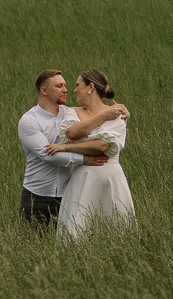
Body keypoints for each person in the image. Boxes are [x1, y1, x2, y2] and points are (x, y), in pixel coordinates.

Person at [17, 69, 119, 229]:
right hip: (37, 196)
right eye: (59, 86)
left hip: (69, 193)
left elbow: (96, 116)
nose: (65, 89)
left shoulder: (71, 113)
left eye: (65, 85)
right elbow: (47, 155)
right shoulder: (29, 121)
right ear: (44, 90)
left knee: (67, 245)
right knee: (33, 245)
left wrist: (121, 112)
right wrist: (84, 160)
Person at [55, 69, 136, 241]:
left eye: (78, 85)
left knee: (116, 230)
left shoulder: (117, 114)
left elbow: (103, 145)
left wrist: (66, 148)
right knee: (76, 231)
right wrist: (103, 116)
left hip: (110, 179)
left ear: (90, 87)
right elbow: (72, 133)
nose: (74, 90)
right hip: (82, 177)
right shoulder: (73, 112)